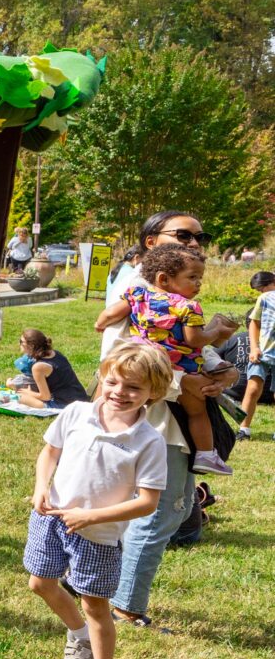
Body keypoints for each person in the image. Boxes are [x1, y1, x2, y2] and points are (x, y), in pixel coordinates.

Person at [97, 211, 236, 632]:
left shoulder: (176, 285)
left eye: (200, 236)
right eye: (184, 235)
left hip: (168, 409)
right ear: (151, 241)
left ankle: (100, 586)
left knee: (168, 511)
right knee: (160, 513)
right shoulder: (136, 288)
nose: (196, 243)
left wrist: (223, 371)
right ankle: (125, 606)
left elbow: (182, 344)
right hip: (155, 416)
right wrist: (184, 382)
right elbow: (119, 359)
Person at [25, 344, 170, 659]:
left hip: (97, 535)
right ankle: (81, 638)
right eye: (113, 382)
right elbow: (50, 452)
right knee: (39, 583)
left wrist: (91, 517)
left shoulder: (149, 442)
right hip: (51, 517)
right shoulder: (76, 413)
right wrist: (42, 486)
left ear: (154, 393)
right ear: (102, 379)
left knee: (96, 607)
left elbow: (147, 501)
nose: (120, 392)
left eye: (133, 388)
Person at [95, 244, 238, 474]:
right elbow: (194, 340)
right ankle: (205, 454)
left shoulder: (137, 294)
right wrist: (214, 333)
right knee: (197, 411)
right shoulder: (188, 307)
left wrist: (100, 323)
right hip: (183, 368)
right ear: (163, 278)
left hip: (147, 363)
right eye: (192, 277)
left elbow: (112, 312)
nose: (198, 284)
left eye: (199, 278)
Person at [236, 271, 275, 437]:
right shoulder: (265, 299)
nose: (262, 291)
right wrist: (254, 347)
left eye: (262, 288)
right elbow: (254, 323)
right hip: (263, 351)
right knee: (252, 388)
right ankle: (243, 429)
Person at [12, 328, 89, 410]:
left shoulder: (38, 367)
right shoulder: (55, 353)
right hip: (81, 398)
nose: (19, 344)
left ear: (31, 346)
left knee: (20, 397)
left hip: (66, 404)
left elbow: (46, 397)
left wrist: (29, 393)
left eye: (21, 342)